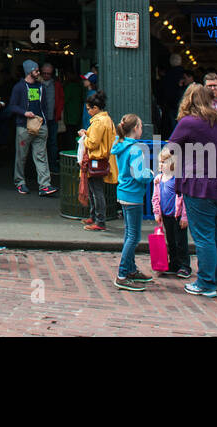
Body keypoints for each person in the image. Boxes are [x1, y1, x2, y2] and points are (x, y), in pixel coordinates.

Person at [167, 84, 217, 298]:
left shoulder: (188, 122)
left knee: (204, 237)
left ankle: (206, 283)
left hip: (199, 185)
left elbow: (170, 148)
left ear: (188, 99)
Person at [110, 113, 154, 291]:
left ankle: (130, 269)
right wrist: (150, 174)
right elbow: (139, 174)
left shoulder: (120, 145)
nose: (142, 129)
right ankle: (122, 274)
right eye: (141, 126)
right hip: (133, 195)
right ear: (135, 129)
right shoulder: (136, 149)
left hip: (124, 192)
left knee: (130, 234)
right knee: (133, 237)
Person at [8, 59, 55, 196]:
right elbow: (12, 106)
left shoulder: (41, 87)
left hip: (39, 124)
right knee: (22, 156)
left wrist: (44, 121)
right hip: (24, 126)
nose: (38, 72)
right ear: (29, 71)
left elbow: (45, 106)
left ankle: (45, 185)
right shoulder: (19, 87)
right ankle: (20, 182)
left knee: (41, 155)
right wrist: (24, 113)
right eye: (36, 70)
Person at [79, 92, 117, 231]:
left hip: (96, 159)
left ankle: (99, 221)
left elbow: (93, 143)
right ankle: (94, 217)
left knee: (96, 191)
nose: (88, 111)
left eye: (89, 108)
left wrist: (84, 135)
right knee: (95, 189)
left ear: (95, 108)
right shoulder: (106, 119)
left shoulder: (98, 122)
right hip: (102, 159)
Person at [151, 146, 191, 279]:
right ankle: (174, 264)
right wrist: (157, 213)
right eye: (160, 162)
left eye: (164, 162)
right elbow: (155, 197)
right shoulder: (159, 179)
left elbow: (184, 199)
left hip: (177, 216)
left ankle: (185, 266)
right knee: (171, 241)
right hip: (166, 216)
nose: (161, 165)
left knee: (181, 242)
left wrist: (184, 216)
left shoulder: (177, 180)